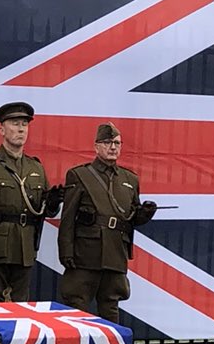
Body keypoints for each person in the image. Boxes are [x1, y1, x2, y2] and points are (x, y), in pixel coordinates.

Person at [58, 121, 156, 323]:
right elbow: (67, 218)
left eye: (117, 143)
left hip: (115, 252)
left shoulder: (130, 179)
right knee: (77, 306)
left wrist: (145, 214)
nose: (113, 147)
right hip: (86, 253)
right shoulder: (80, 175)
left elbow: (130, 218)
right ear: (96, 146)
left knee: (111, 307)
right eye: (107, 142)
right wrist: (66, 251)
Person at [0, 101, 63, 302]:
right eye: (15, 124)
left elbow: (42, 211)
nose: (21, 129)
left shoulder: (35, 167)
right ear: (2, 129)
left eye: (24, 124)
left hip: (24, 248)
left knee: (20, 306)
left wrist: (53, 203)